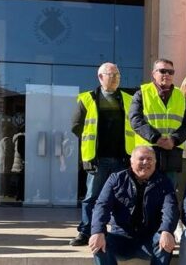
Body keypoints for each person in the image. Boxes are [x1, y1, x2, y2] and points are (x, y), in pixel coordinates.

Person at [69, 62, 134, 246]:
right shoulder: (87, 98)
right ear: (100, 77)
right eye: (110, 75)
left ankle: (120, 231)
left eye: (117, 75)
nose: (114, 78)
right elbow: (75, 126)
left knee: (122, 197)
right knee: (92, 197)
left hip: (122, 158)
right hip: (98, 159)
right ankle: (86, 231)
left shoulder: (128, 99)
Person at [89, 146, 179, 265]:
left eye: (150, 159)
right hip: (121, 237)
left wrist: (167, 230)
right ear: (131, 161)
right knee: (98, 241)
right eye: (141, 159)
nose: (146, 162)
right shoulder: (116, 179)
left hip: (149, 239)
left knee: (164, 239)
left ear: (156, 162)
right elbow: (102, 206)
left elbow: (171, 208)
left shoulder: (164, 182)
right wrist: (97, 231)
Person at [129, 58, 186, 187]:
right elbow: (135, 119)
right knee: (145, 193)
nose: (167, 75)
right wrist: (156, 138)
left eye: (171, 72)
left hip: (171, 153)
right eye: (163, 71)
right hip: (147, 153)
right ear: (154, 74)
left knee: (168, 194)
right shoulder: (142, 93)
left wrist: (174, 140)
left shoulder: (181, 96)